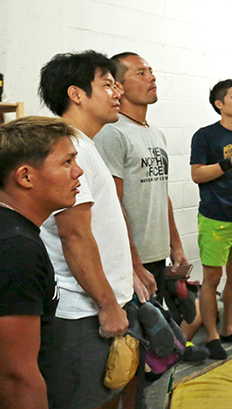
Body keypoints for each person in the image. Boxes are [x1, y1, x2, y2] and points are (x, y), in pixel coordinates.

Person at [37, 51, 139, 409]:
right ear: (76, 94)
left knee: (107, 394)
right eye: (107, 85)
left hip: (97, 303)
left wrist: (130, 273)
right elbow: (74, 236)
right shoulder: (71, 149)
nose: (118, 93)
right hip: (83, 310)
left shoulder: (84, 144)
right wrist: (107, 304)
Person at [94, 53, 199, 342]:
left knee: (157, 344)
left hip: (155, 258)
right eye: (140, 73)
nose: (151, 77)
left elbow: (161, 193)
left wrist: (175, 245)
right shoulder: (111, 133)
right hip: (128, 261)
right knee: (130, 346)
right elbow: (113, 204)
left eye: (151, 71)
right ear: (119, 86)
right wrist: (134, 263)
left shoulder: (155, 134)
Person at [0, 117, 80, 409]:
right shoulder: (14, 250)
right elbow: (14, 379)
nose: (78, 171)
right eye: (66, 162)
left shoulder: (1, 227)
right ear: (25, 177)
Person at [190, 79, 232, 360]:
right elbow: (197, 174)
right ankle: (212, 335)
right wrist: (228, 164)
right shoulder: (205, 135)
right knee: (212, 278)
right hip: (215, 216)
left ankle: (229, 328)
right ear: (219, 104)